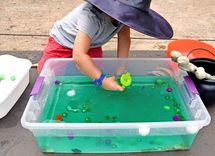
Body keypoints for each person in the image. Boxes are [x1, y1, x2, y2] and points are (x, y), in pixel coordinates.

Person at [38, 0, 173, 91]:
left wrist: (122, 66)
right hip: (62, 40)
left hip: (92, 43)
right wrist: (102, 81)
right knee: (47, 74)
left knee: (92, 72)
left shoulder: (123, 17)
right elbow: (79, 55)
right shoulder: (90, 17)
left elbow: (124, 38)